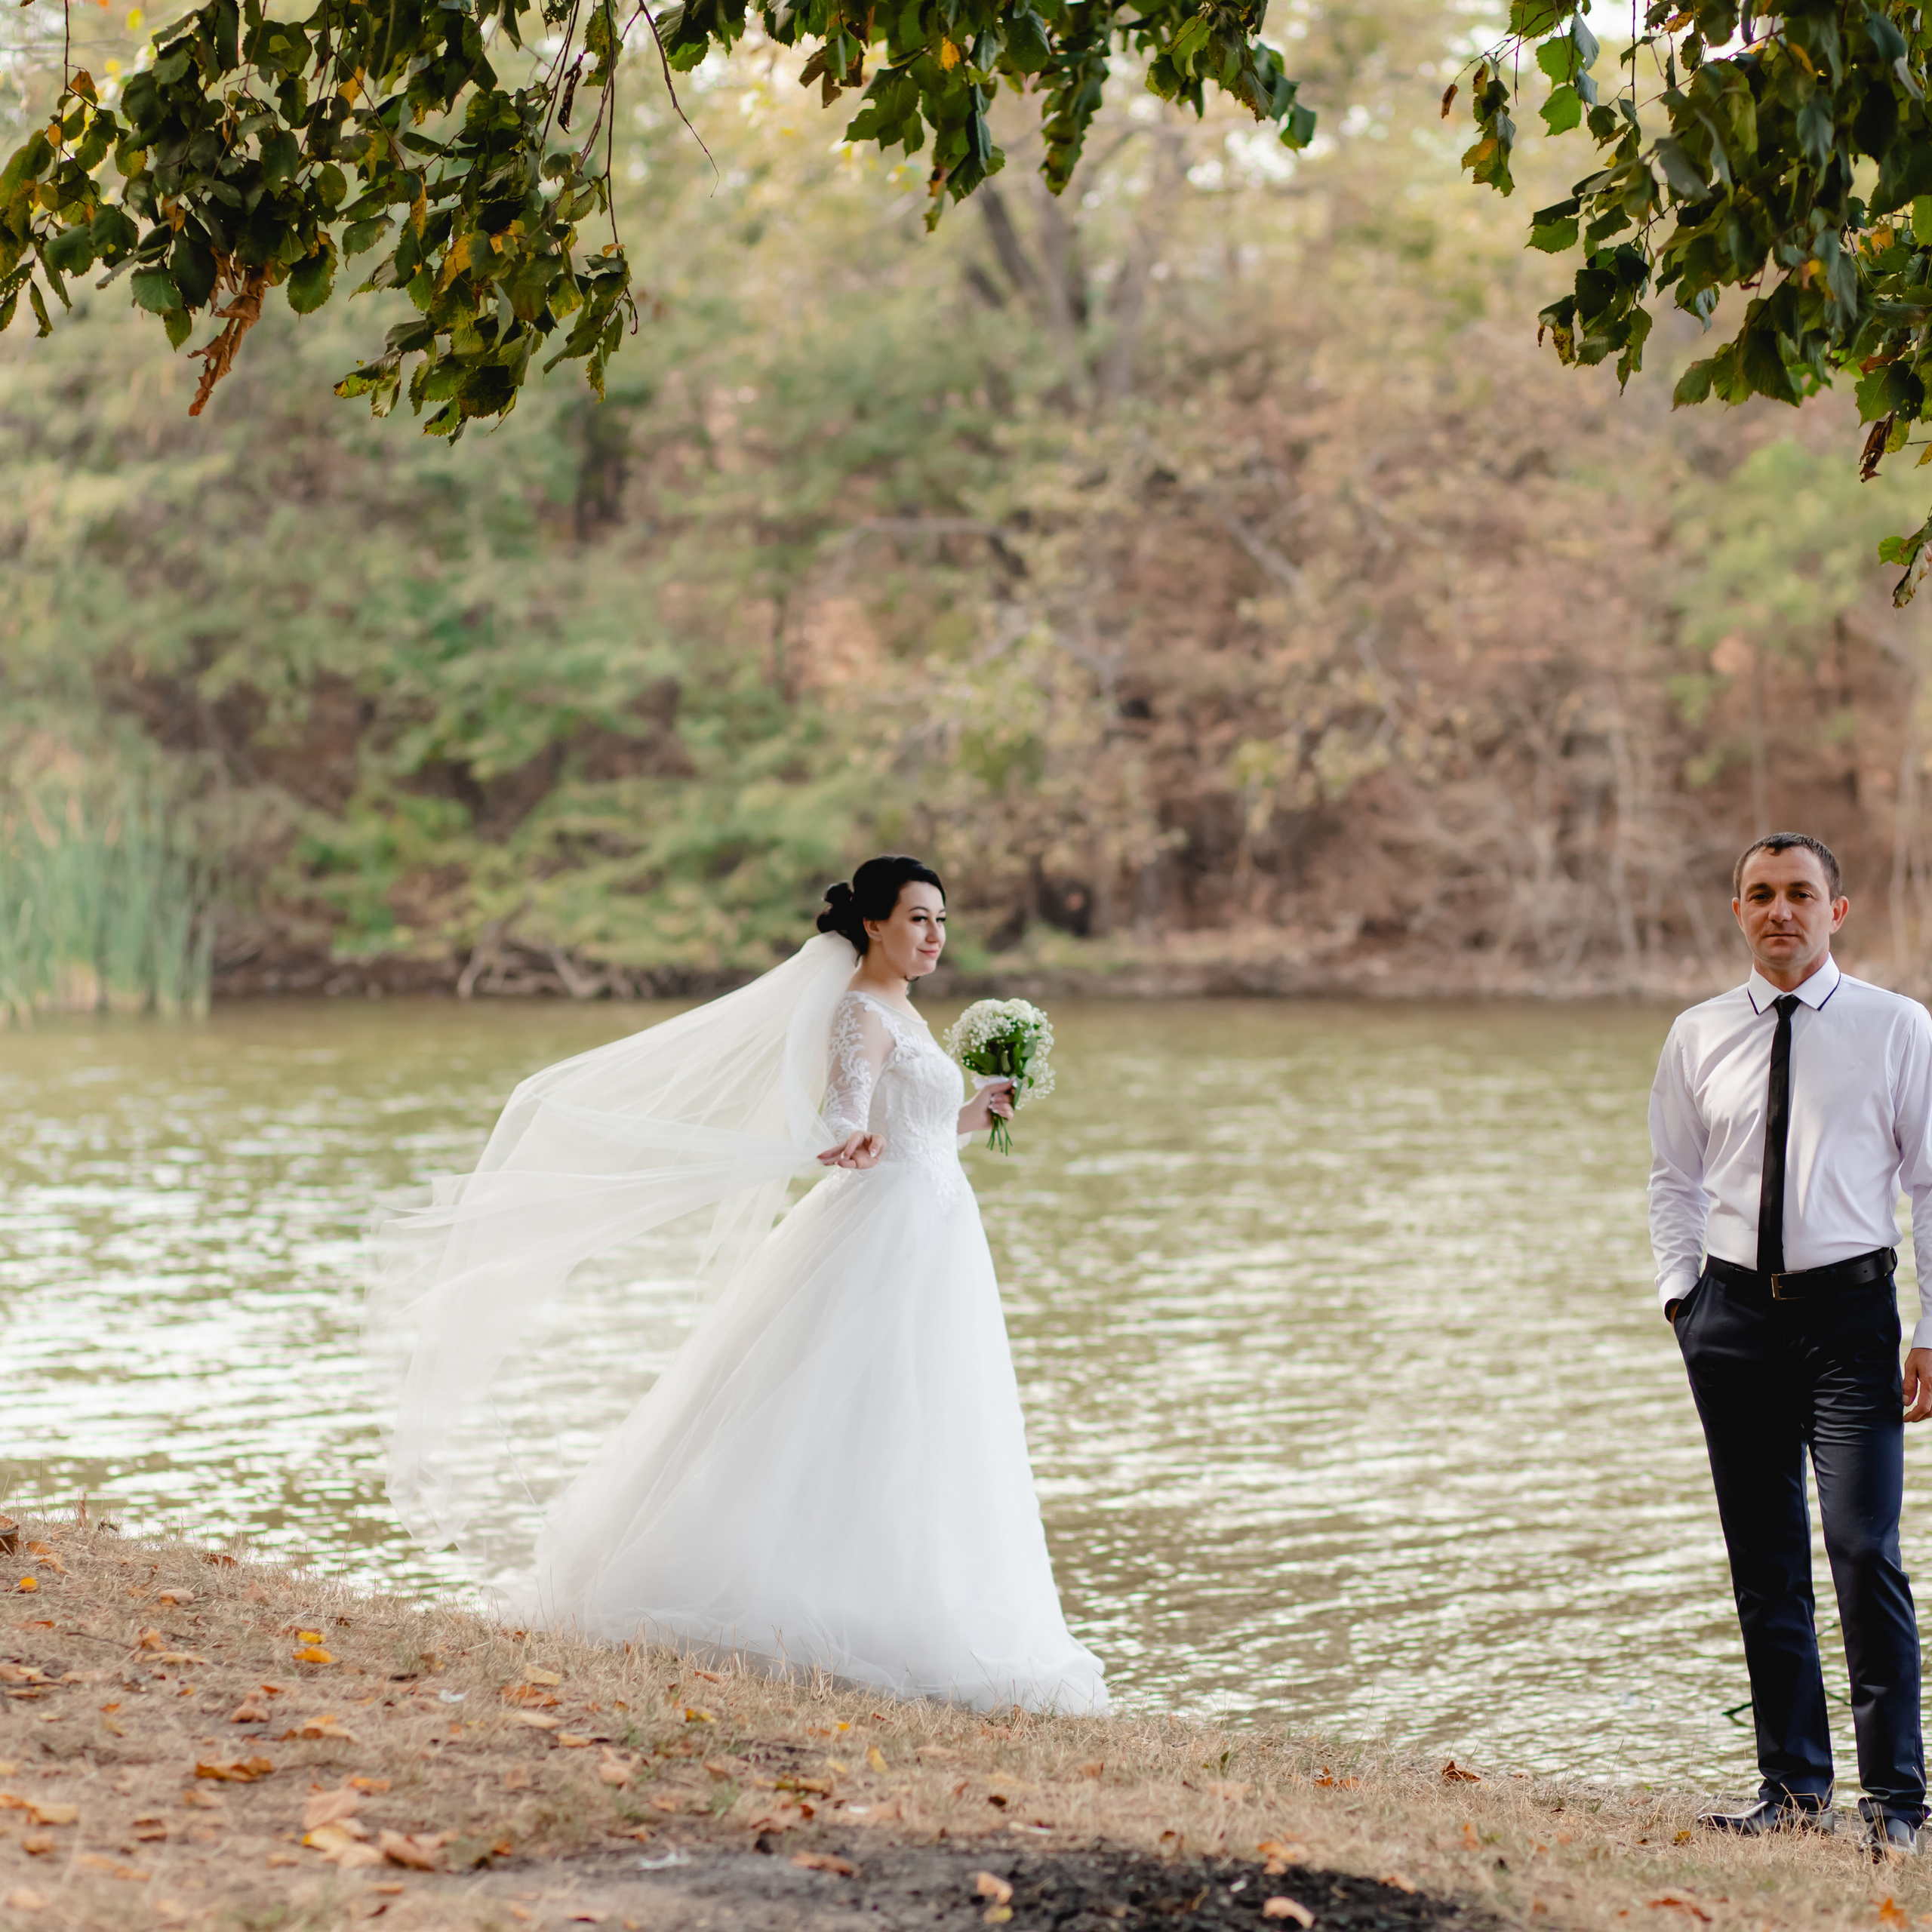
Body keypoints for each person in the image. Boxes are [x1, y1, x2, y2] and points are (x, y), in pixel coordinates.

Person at [367, 854, 1106, 1714]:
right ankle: (807, 1602)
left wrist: (979, 1112)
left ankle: (903, 1590)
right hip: (888, 1232)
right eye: (917, 919)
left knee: (932, 1411)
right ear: (872, 924)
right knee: (852, 1405)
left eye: (942, 920)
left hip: (936, 1224)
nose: (935, 936)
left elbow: (921, 1130)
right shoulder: (860, 1011)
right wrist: (848, 1137)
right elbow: (848, 1109)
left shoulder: (903, 1006)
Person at [1649, 832, 1932, 1853]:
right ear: (1738, 911)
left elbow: (1930, 1186)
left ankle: (1899, 1805)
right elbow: (1672, 1178)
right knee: (1764, 1563)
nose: (1781, 911)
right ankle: (1794, 1792)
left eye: (1800, 894)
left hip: (1850, 1324)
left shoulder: (1898, 1029)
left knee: (1863, 1552)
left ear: (1836, 912)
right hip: (1729, 1323)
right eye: (1761, 894)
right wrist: (1682, 1299)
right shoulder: (1698, 1034)